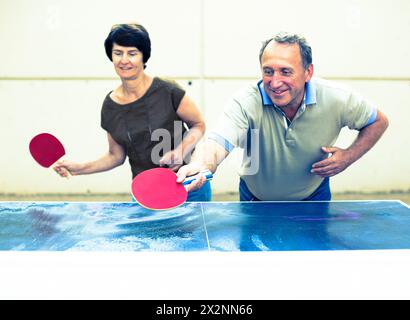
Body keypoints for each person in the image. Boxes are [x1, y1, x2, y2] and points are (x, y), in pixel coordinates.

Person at [177, 32, 389, 201]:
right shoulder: (245, 101)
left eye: (286, 72)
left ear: (308, 72)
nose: (275, 82)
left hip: (314, 197)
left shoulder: (338, 98)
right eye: (268, 71)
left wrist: (348, 156)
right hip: (254, 199)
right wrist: (200, 165)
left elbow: (378, 121)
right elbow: (217, 142)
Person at [53, 23, 211, 201]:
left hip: (189, 186)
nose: (124, 60)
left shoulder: (168, 90)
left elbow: (198, 125)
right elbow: (116, 156)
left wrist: (181, 151)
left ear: (144, 57)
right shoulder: (110, 106)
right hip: (147, 193)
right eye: (118, 53)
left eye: (132, 53)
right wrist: (79, 168)